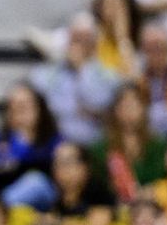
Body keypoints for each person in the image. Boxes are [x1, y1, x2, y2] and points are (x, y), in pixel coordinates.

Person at [30, 12, 119, 148]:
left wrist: (81, 70)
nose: (79, 46)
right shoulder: (48, 73)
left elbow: (98, 103)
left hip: (94, 144)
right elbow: (44, 107)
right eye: (75, 39)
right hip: (56, 144)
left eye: (85, 40)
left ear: (94, 45)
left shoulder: (107, 75)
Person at [0, 83, 59, 208]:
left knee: (35, 181)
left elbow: (50, 173)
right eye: (13, 106)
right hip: (6, 200)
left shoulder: (54, 141)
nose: (19, 112)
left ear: (39, 108)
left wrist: (12, 164)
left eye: (24, 106)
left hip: (44, 204)